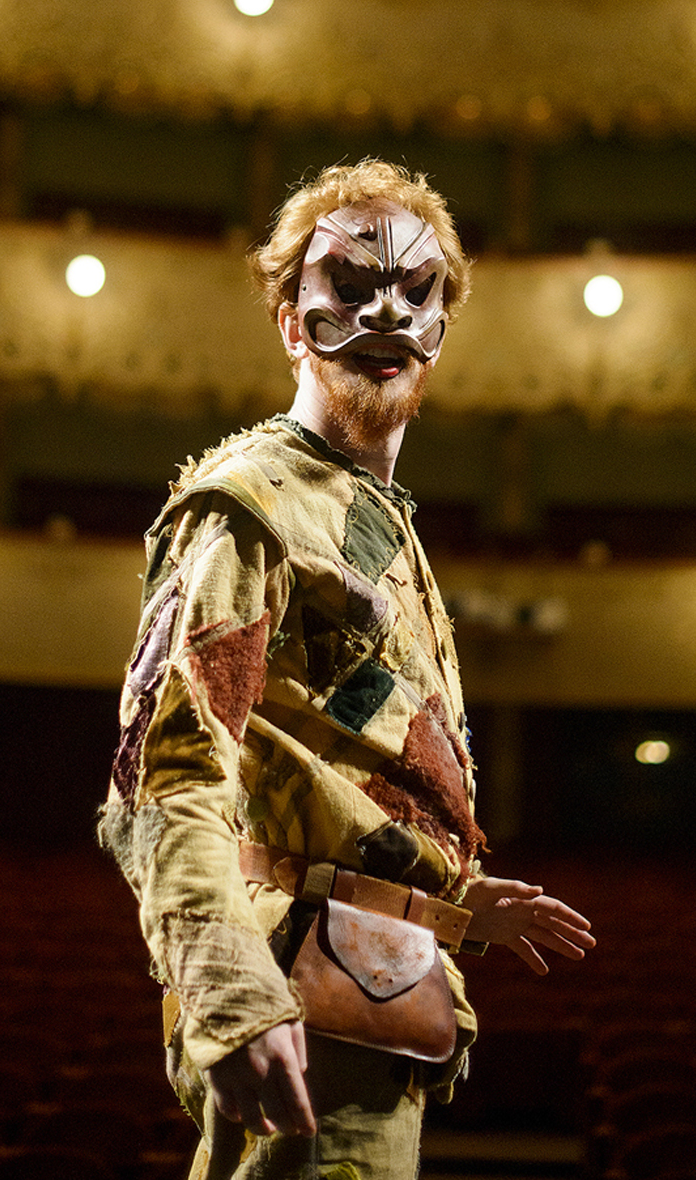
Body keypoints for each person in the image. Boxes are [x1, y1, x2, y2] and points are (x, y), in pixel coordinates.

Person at [99, 159, 594, 1180]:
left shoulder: (374, 519)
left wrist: (448, 895)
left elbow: (333, 758)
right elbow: (169, 777)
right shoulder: (251, 503)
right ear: (292, 322)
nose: (387, 313)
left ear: (441, 330)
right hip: (297, 986)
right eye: (352, 284)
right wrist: (229, 992)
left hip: (376, 980)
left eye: (418, 291)